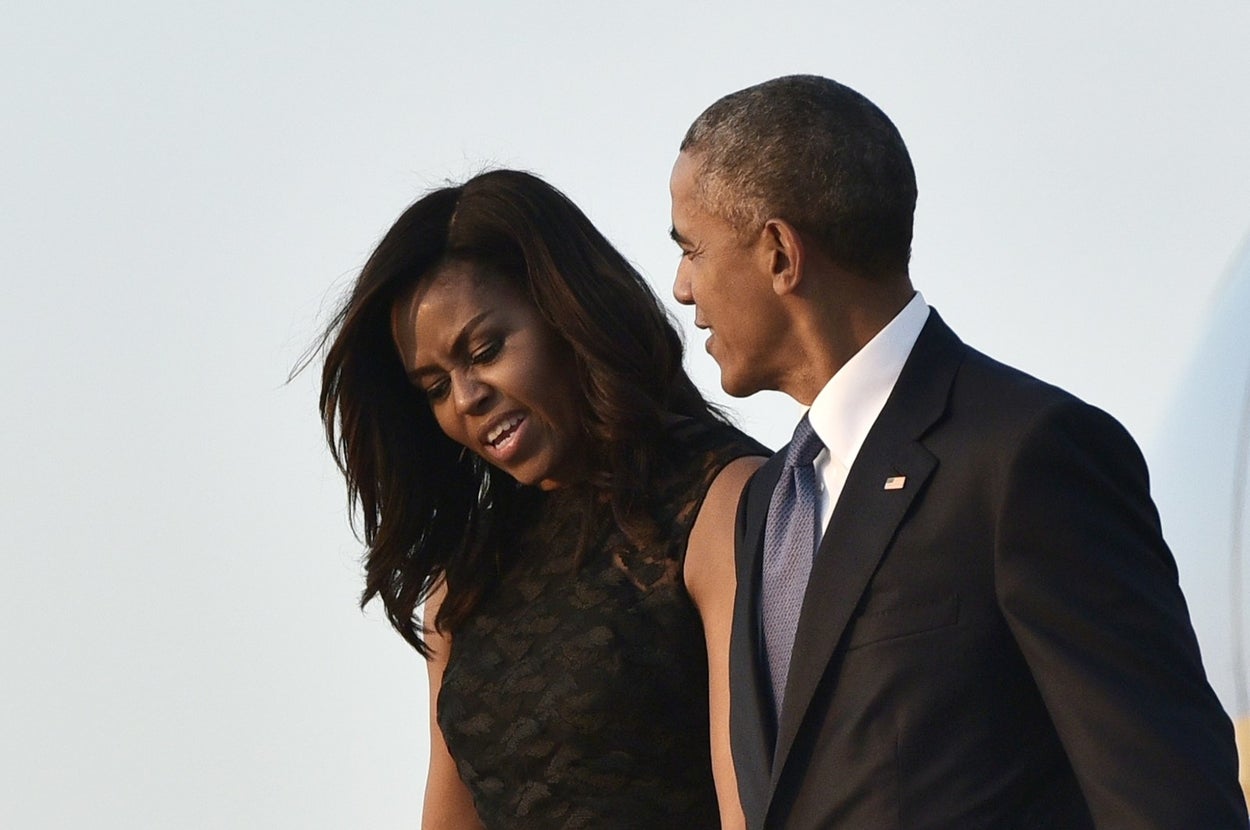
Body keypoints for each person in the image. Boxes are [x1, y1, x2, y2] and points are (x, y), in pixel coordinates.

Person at [669, 75, 1249, 829]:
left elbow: (1167, 795)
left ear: (780, 254)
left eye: (692, 250)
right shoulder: (767, 503)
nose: (682, 288)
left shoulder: (1025, 454)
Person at [318, 168, 767, 829]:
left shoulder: (724, 501)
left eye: (485, 350)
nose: (466, 397)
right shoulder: (463, 586)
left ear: (566, 314)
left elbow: (757, 801)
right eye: (435, 387)